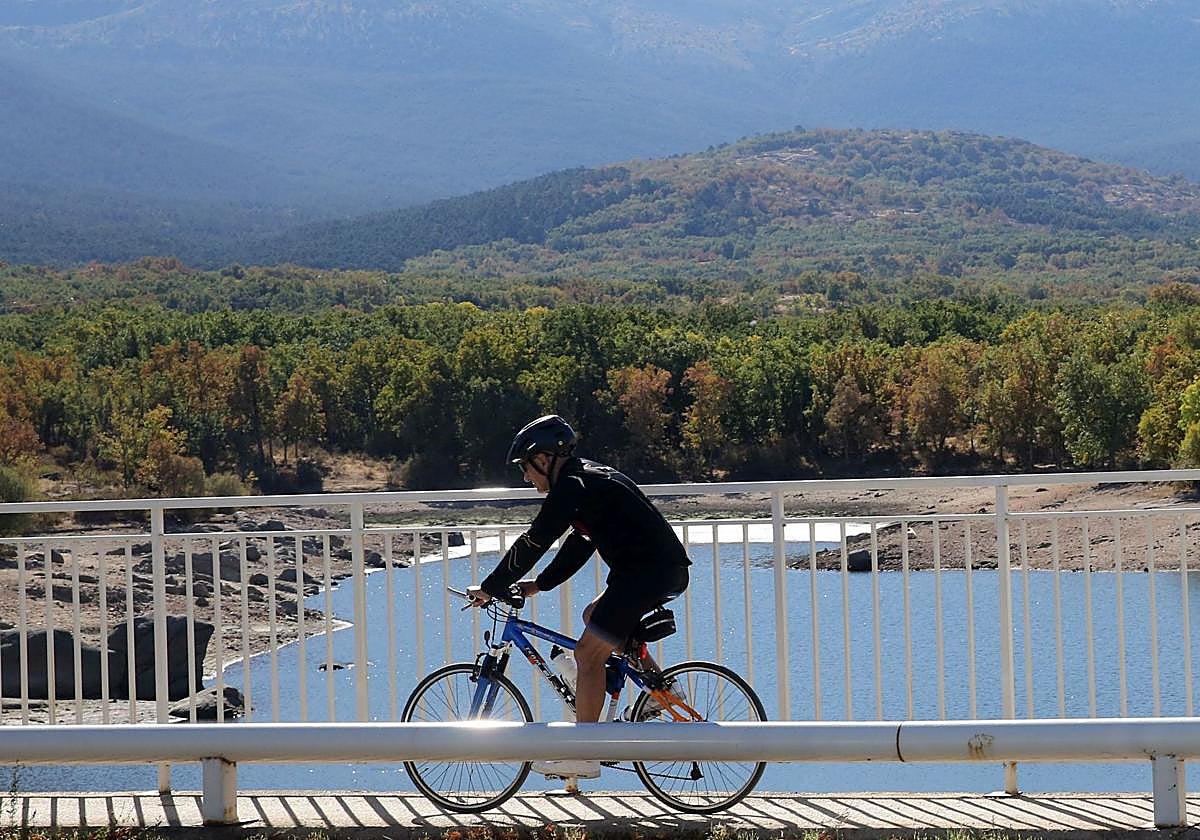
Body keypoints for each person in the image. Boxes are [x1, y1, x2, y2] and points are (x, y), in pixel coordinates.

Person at [467, 414, 690, 780]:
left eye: (526, 467)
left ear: (544, 459)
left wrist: (490, 587)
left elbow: (535, 539)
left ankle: (584, 756)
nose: (526, 478)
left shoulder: (573, 485)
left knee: (588, 654)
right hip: (654, 571)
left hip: (646, 574)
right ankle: (660, 689)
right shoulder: (584, 480)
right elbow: (581, 542)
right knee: (593, 616)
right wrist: (539, 584)